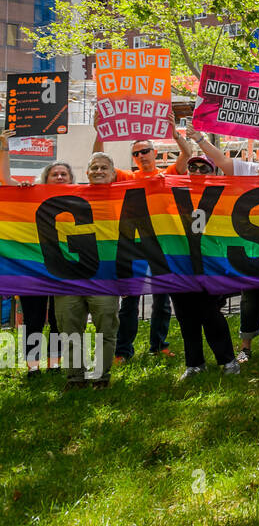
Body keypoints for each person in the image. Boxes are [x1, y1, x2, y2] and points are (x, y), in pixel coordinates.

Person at [193, 131, 259, 368]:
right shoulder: (250, 170)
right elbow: (220, 161)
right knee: (249, 297)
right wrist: (198, 140)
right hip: (249, 246)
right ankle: (245, 347)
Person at [104, 115, 192, 364]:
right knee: (130, 300)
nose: (141, 156)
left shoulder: (168, 174)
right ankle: (123, 351)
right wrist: (100, 133)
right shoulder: (126, 179)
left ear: (155, 153)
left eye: (145, 151)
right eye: (137, 153)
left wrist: (175, 132)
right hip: (132, 245)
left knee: (162, 299)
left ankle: (159, 345)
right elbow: (99, 163)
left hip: (161, 245)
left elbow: (187, 154)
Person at [0, 133, 70, 376]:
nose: (60, 176)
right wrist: (5, 147)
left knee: (60, 321)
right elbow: (5, 181)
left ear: (71, 179)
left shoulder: (80, 198)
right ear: (46, 177)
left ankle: (54, 364)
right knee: (34, 319)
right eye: (55, 173)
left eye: (64, 174)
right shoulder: (32, 193)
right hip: (33, 269)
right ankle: (33, 367)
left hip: (65, 269)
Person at [53, 153, 121, 390]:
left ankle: (101, 376)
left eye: (104, 168)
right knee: (70, 328)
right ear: (87, 173)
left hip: (104, 279)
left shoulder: (124, 197)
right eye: (93, 167)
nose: (98, 171)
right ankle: (75, 378)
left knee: (106, 328)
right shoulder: (70, 195)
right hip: (69, 278)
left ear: (113, 174)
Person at [171, 155, 241, 379]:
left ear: (214, 172)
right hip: (181, 267)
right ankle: (194, 364)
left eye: (204, 168)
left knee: (210, 314)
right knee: (185, 317)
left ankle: (228, 360)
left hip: (210, 268)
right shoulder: (175, 193)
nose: (198, 172)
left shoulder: (221, 194)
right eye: (193, 167)